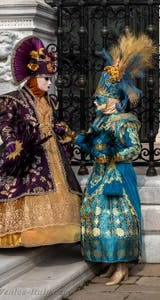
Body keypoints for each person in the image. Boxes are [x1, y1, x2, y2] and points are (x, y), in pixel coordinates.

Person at [0, 36, 82, 248]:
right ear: (34, 78)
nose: (49, 82)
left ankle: (57, 230)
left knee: (60, 188)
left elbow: (52, 122)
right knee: (19, 188)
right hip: (27, 150)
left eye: (50, 78)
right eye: (46, 78)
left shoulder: (51, 101)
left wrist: (60, 130)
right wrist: (11, 142)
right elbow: (5, 123)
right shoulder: (13, 99)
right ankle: (19, 234)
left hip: (52, 150)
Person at [75, 31, 156, 285]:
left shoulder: (126, 122)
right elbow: (91, 144)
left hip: (118, 177)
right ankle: (110, 263)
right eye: (97, 100)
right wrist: (81, 142)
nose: (96, 104)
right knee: (100, 218)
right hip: (100, 176)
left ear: (114, 100)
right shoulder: (100, 122)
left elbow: (134, 149)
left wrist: (112, 155)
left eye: (101, 100)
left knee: (118, 218)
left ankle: (123, 267)